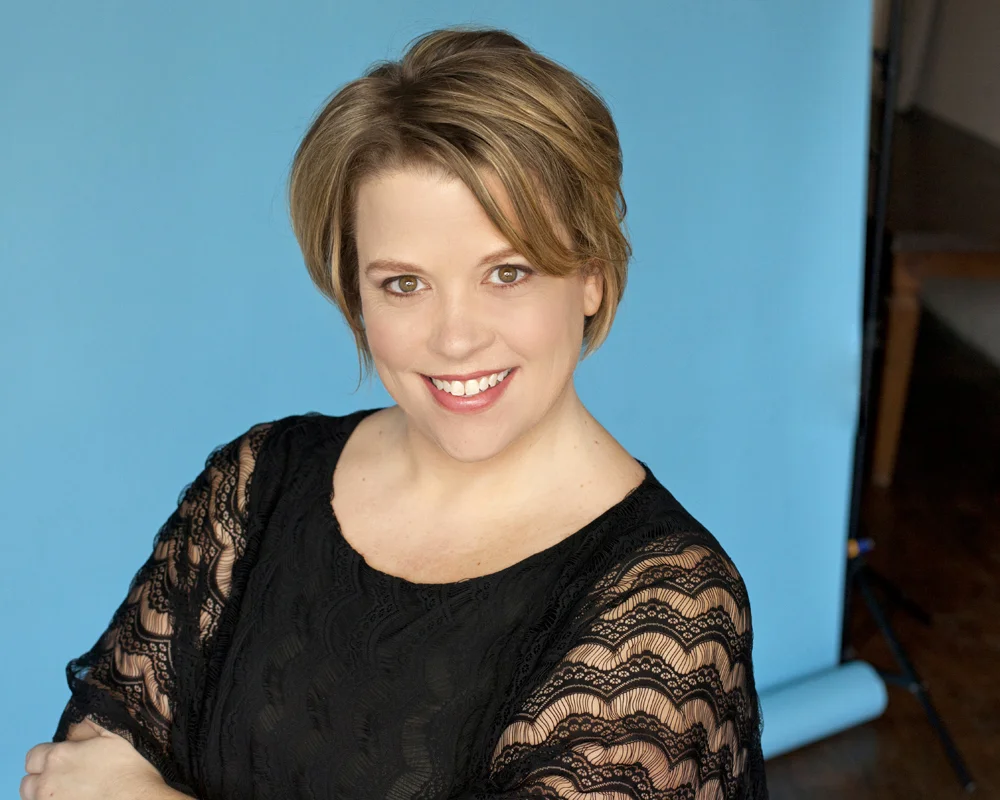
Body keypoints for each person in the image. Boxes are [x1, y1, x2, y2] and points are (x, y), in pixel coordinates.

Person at [22, 26, 768, 800]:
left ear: (590, 276)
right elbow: (81, 766)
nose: (455, 337)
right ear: (355, 294)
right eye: (404, 283)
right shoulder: (256, 483)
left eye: (506, 272)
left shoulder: (666, 607)